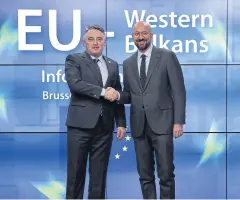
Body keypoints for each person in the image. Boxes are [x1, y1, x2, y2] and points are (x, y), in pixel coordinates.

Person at [108, 21, 186, 199]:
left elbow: (178, 91)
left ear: (151, 35)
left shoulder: (167, 56)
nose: (140, 37)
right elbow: (130, 94)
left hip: (163, 124)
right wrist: (118, 95)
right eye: (137, 34)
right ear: (132, 37)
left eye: (144, 33)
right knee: (145, 176)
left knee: (166, 175)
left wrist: (178, 121)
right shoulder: (128, 63)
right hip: (139, 126)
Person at [64, 25, 126, 199]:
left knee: (99, 177)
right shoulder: (73, 60)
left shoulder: (113, 65)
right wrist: (102, 92)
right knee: (75, 176)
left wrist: (121, 122)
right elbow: (75, 84)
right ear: (84, 43)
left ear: (105, 42)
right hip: (79, 127)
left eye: (99, 39)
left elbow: (117, 95)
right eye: (91, 39)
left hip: (104, 128)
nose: (95, 42)